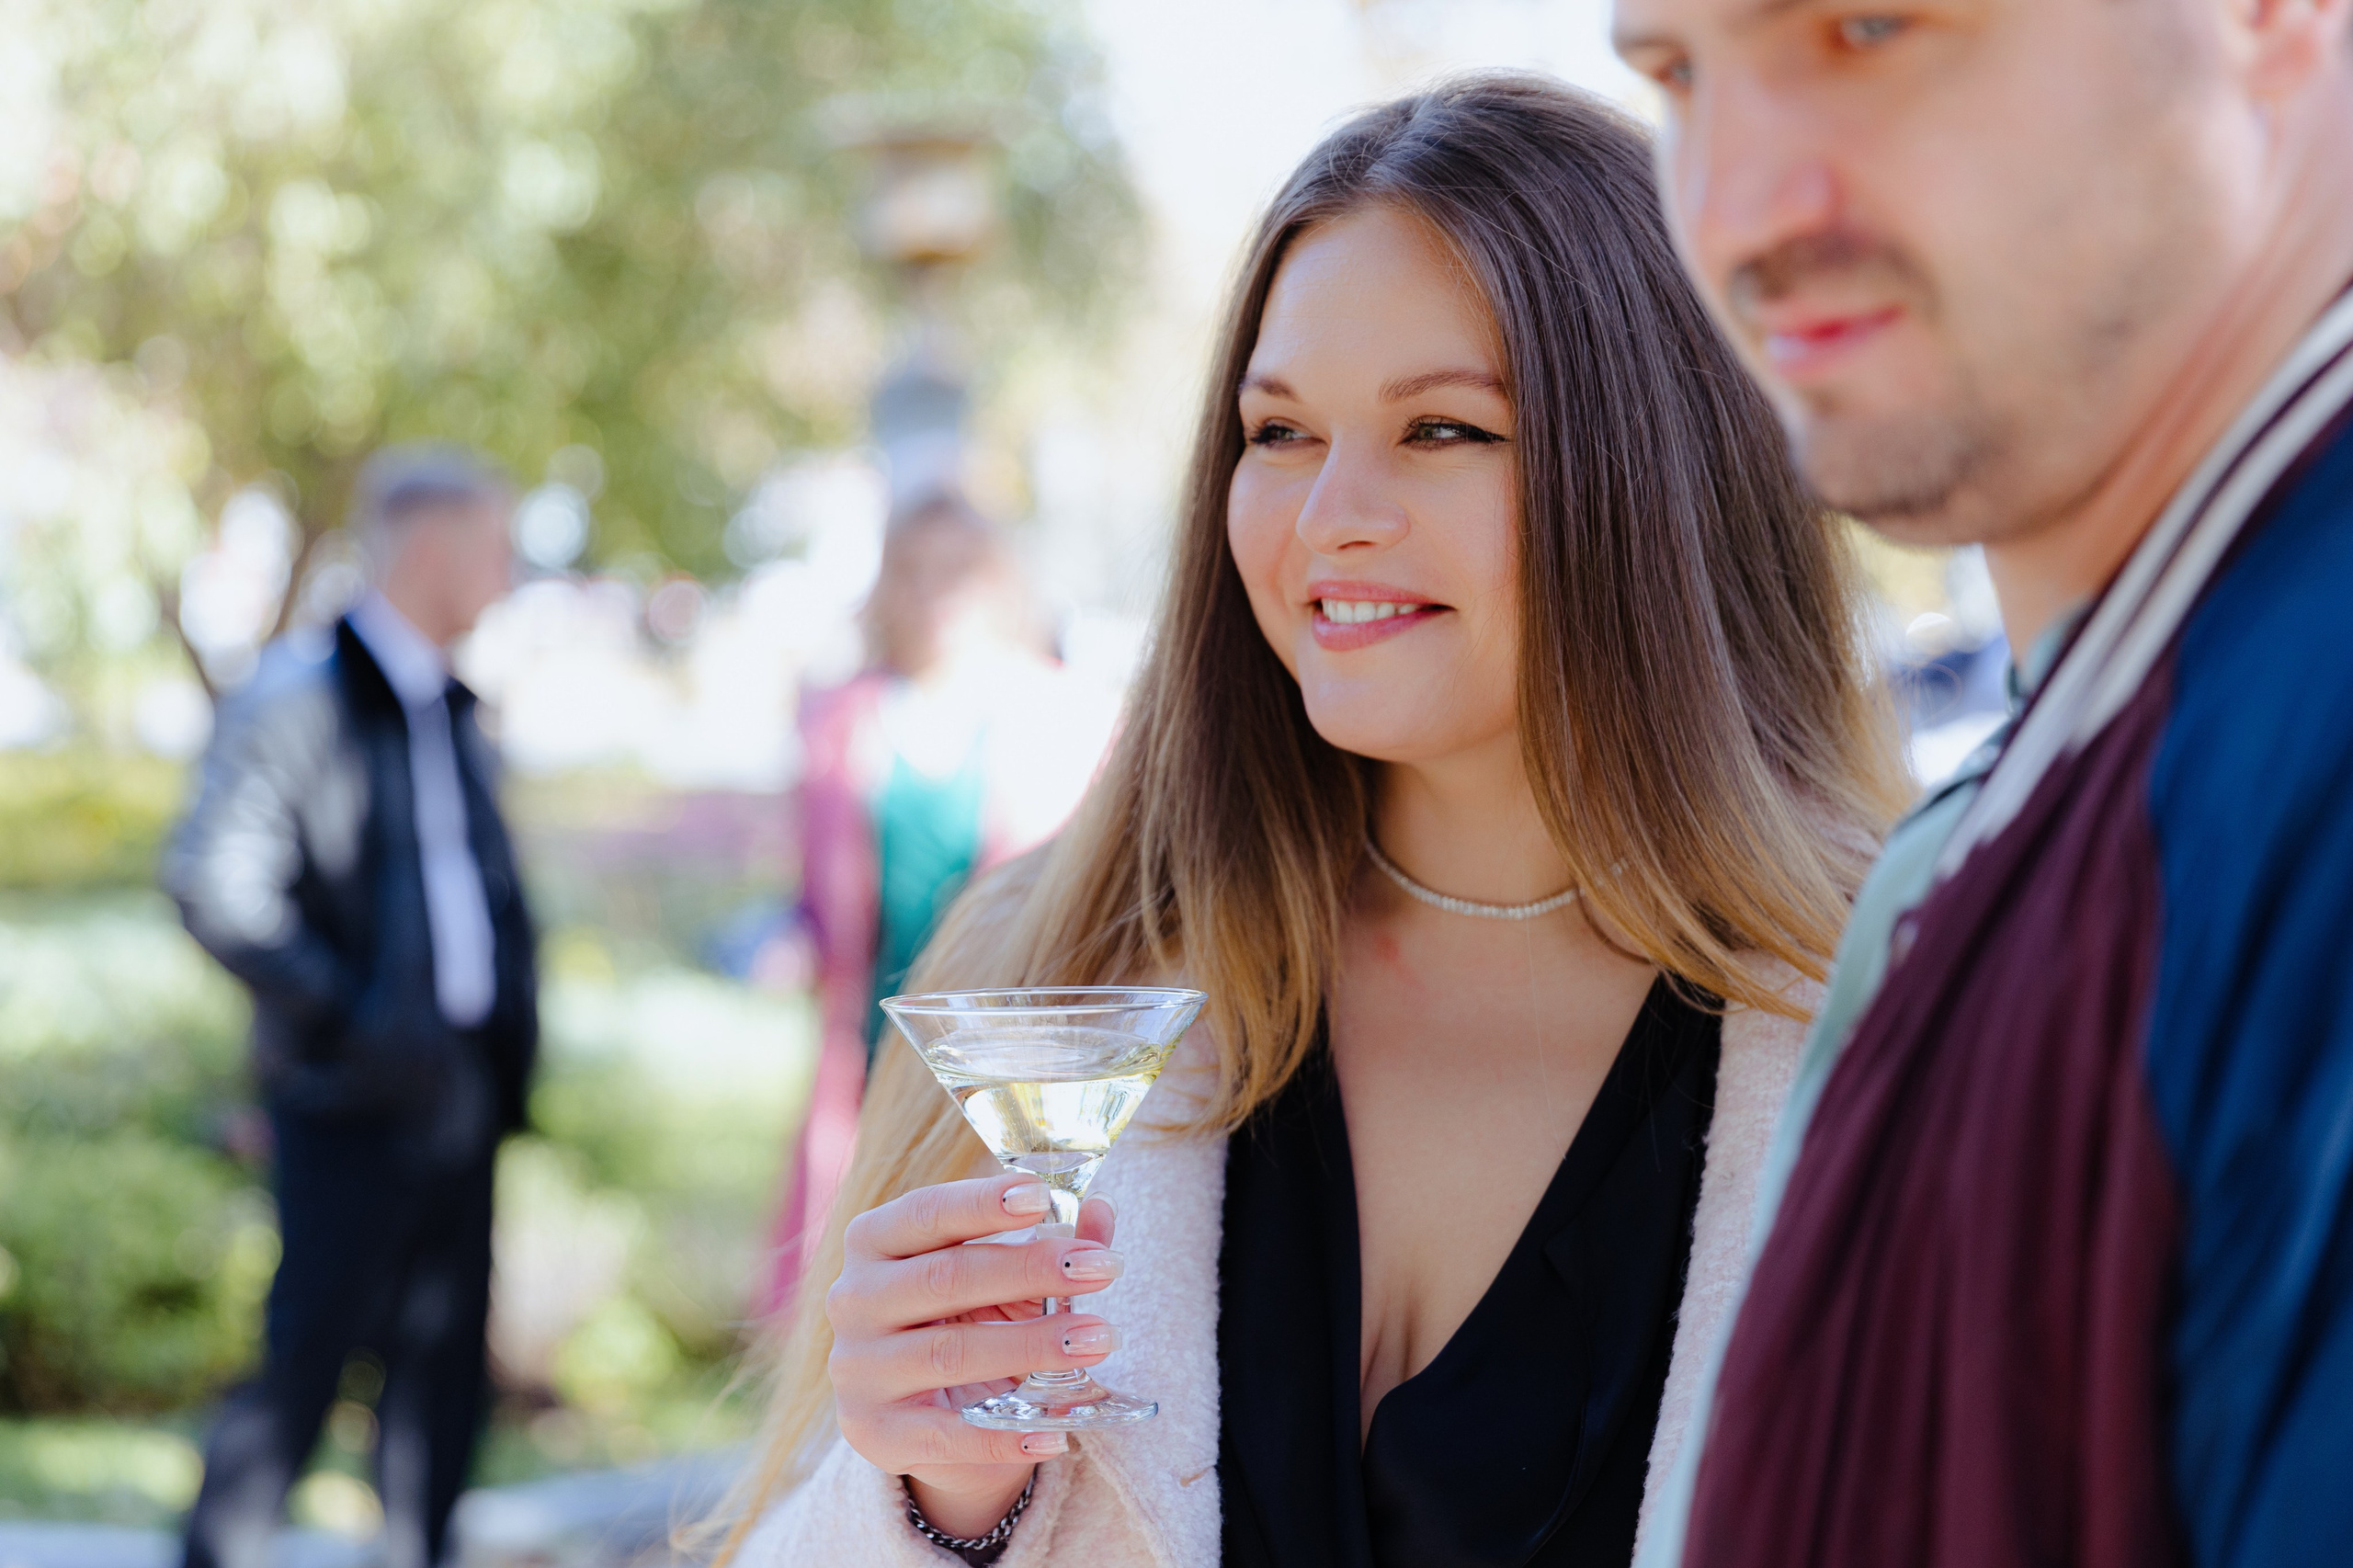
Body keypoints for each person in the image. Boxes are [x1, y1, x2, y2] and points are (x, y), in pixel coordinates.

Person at [714, 76, 1908, 1568]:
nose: (1328, 513)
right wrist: (931, 1502)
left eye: (1443, 429)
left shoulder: (1905, 1023)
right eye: (1278, 430)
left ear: (1658, 476)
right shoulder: (1048, 973)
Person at [1605, 3, 2353, 1565]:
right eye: (1675, 73)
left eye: (1869, 28)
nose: (1735, 210)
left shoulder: (2295, 763)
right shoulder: (2113, 752)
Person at [165, 446, 538, 1568]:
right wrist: (350, 1019)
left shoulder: (452, 704)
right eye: (495, 546)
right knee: (305, 1361)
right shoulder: (300, 696)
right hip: (350, 1092)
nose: (509, 574)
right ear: (429, 546)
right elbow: (215, 881)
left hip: (458, 1089)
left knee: (442, 1374)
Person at [763, 493, 1116, 1317]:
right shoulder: (843, 721)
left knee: (993, 1262)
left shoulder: (1067, 716)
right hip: (874, 1034)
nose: (934, 594)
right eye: (913, 573)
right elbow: (815, 891)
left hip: (1009, 1042)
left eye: (957, 572)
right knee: (860, 1266)